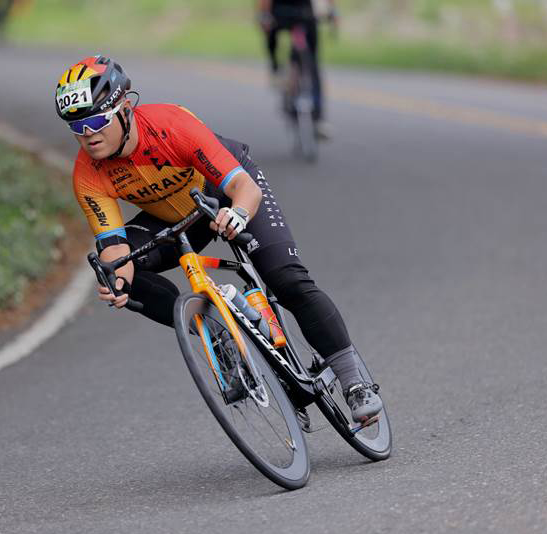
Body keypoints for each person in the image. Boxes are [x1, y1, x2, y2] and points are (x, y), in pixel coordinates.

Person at [55, 55, 381, 421]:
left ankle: (354, 382)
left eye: (97, 120)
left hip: (227, 195)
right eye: (76, 126)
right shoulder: (87, 174)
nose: (88, 135)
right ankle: (213, 328)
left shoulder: (170, 125)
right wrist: (118, 281)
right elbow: (115, 245)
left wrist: (238, 213)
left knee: (286, 280)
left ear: (125, 107)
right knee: (113, 267)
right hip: (174, 217)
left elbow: (244, 187)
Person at [257, 0, 336, 138]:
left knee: (312, 62)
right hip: (279, 11)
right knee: (271, 35)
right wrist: (264, 14)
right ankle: (276, 68)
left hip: (304, 12)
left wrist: (332, 11)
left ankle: (318, 118)